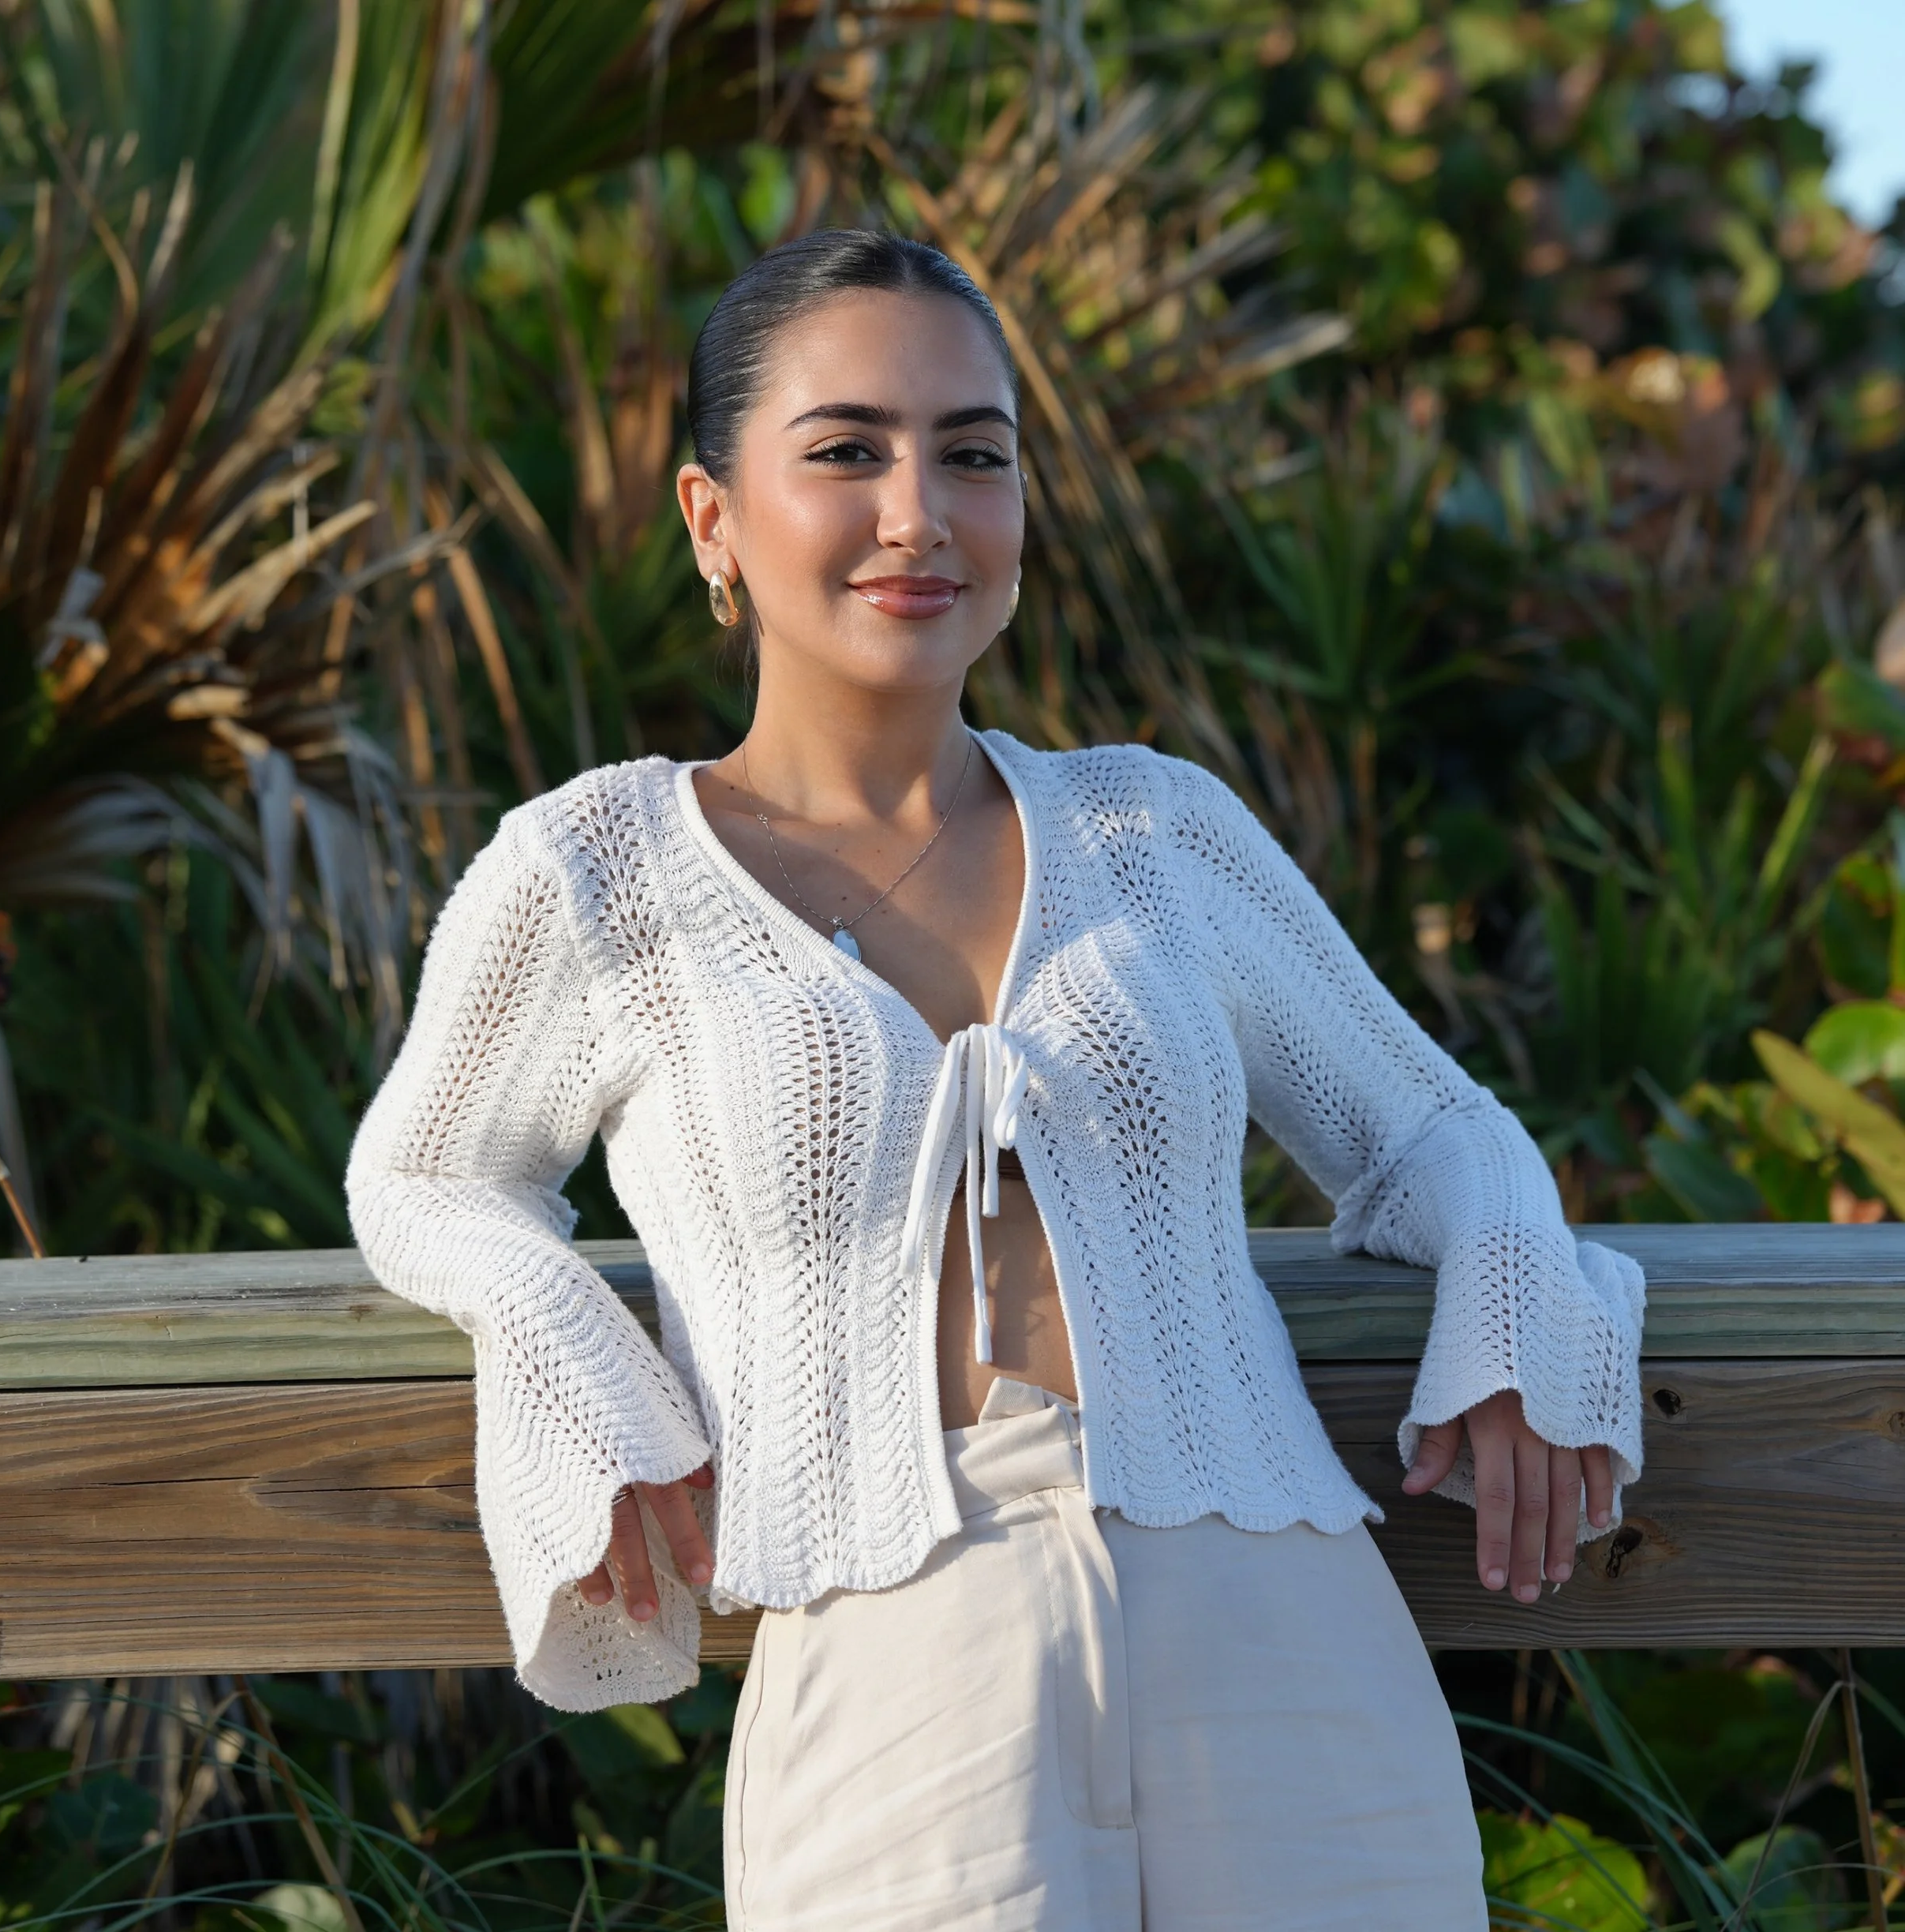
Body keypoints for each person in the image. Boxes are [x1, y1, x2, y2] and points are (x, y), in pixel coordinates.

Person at [346, 229, 1645, 1930]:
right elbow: (427, 1180)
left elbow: (1427, 1131)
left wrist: (1513, 1322)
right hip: (891, 1661)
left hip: (1280, 1634)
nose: (917, 513)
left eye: (973, 453)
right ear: (711, 520)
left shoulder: (1154, 829)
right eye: (844, 453)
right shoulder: (594, 873)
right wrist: (578, 1357)